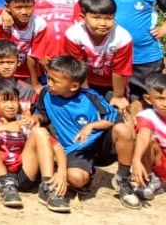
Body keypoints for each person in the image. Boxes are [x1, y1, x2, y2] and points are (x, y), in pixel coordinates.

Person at [31, 55, 140, 208]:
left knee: (123, 130)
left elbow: (113, 118)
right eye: (48, 78)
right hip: (74, 149)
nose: (49, 83)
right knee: (76, 178)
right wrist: (36, 117)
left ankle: (123, 179)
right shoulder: (45, 94)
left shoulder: (91, 96)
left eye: (54, 81)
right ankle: (83, 176)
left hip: (98, 143)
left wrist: (91, 126)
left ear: (74, 86)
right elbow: (41, 113)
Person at [0, 78, 70, 212]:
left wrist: (61, 172)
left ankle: (47, 187)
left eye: (14, 100)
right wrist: (5, 127)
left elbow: (56, 147)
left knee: (40, 132)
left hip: (23, 174)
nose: (10, 105)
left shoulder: (24, 120)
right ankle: (6, 184)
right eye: (4, 101)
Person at [89, 0, 166, 104]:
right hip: (111, 57)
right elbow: (83, 13)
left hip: (146, 57)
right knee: (118, 100)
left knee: (151, 100)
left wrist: (165, 27)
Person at [62, 0, 133, 108]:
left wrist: (118, 96)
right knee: (85, 108)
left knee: (119, 111)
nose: (103, 23)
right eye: (96, 18)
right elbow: (77, 66)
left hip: (113, 83)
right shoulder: (74, 34)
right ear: (83, 18)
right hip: (84, 80)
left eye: (108, 18)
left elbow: (120, 71)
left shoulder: (122, 37)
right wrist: (85, 92)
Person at [0, 0, 48, 84]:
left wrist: (35, 83)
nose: (24, 12)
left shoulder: (39, 24)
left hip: (28, 71)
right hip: (3, 69)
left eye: (28, 7)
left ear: (34, 4)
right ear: (7, 7)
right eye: (18, 7)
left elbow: (33, 55)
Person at [132, 72, 166, 202]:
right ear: (148, 99)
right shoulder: (147, 115)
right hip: (160, 162)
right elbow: (144, 134)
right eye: (160, 98)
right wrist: (136, 160)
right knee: (147, 140)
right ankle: (150, 179)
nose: (165, 104)